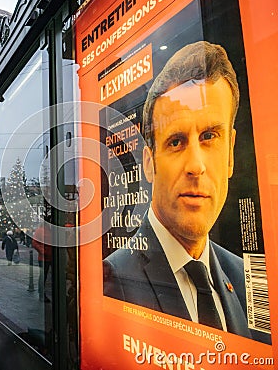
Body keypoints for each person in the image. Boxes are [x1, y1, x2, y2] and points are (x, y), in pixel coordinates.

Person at [103, 41, 270, 344]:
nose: (196, 166)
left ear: (230, 154)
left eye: (209, 136)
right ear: (149, 163)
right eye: (176, 141)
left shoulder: (246, 279)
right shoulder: (115, 278)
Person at [32, 223, 52, 302]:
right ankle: (41, 294)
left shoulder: (51, 230)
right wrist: (42, 251)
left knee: (48, 277)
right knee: (43, 276)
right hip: (44, 258)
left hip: (51, 257)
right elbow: (34, 243)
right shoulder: (40, 230)